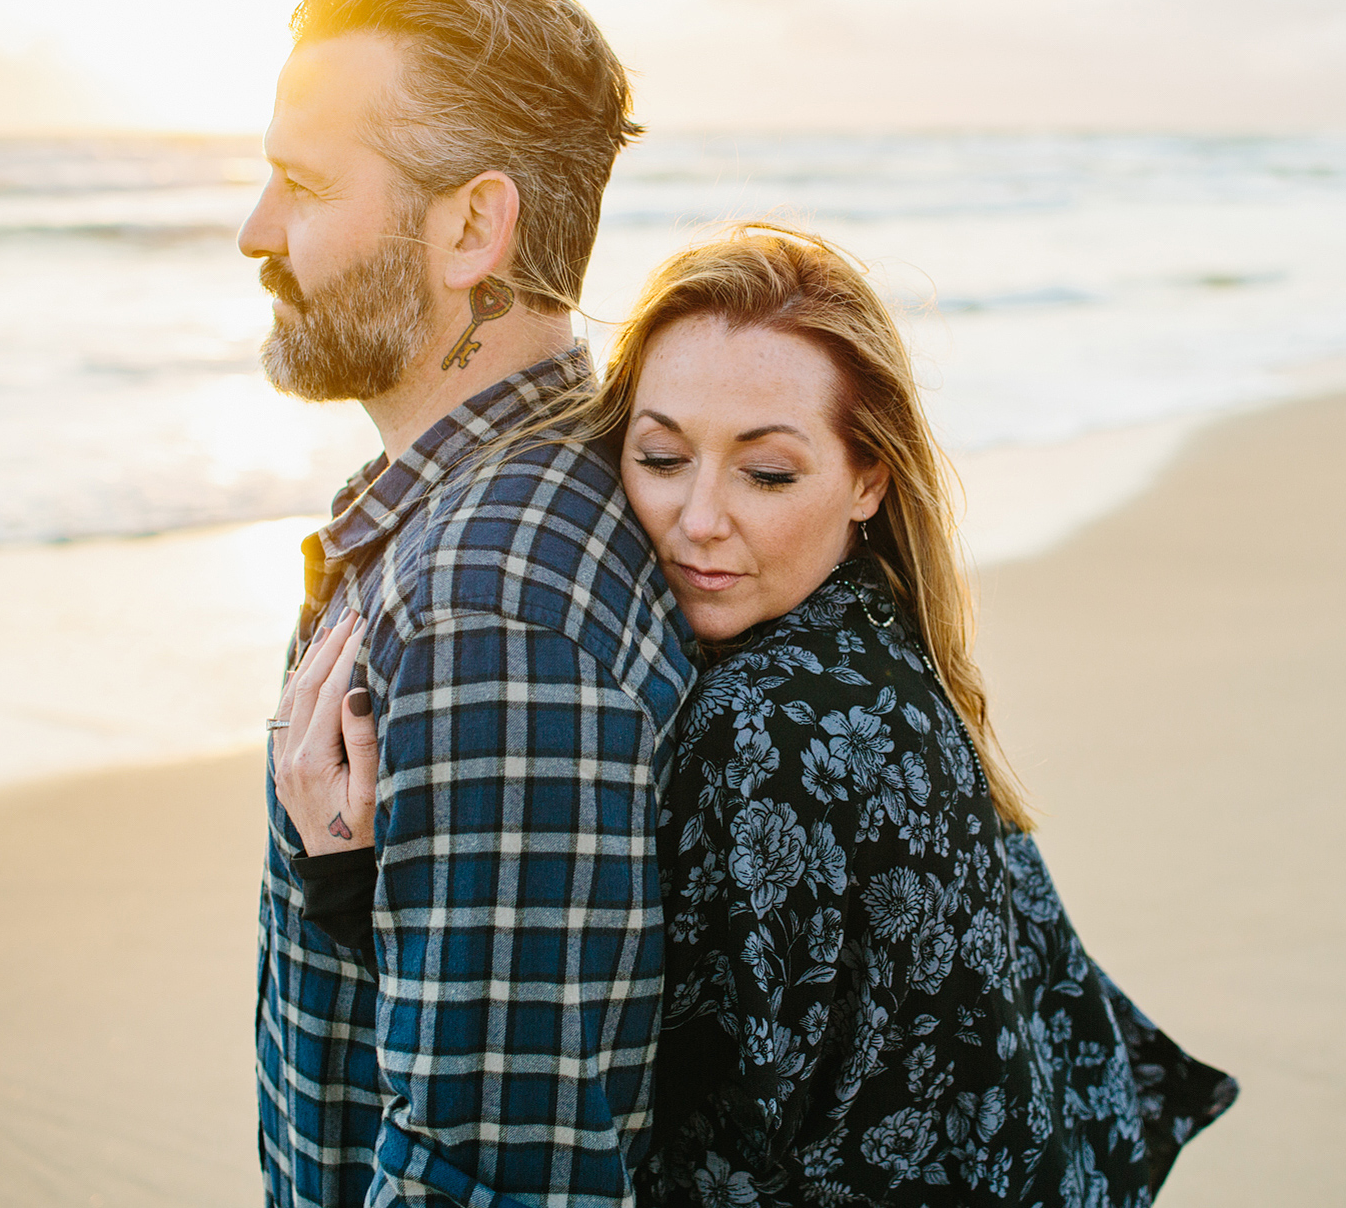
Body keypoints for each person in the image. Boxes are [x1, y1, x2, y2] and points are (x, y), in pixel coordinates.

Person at [292, 224, 1237, 1205]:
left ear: (867, 476)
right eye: (659, 455)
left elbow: (614, 1097)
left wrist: (358, 890)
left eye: (767, 473)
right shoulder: (872, 628)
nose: (699, 517)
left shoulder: (765, 729)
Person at [240, 0, 696, 1208]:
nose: (254, 233)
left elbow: (498, 1174)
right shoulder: (528, 497)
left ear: (469, 229)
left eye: (302, 184)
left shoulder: (484, 602)